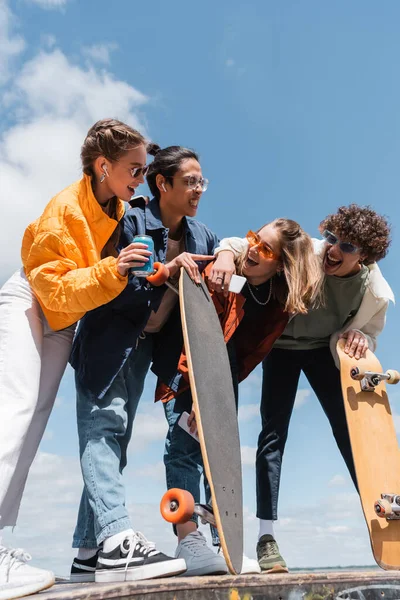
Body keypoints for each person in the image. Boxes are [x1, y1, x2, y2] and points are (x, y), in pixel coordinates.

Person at [0, 118, 160, 598]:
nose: (140, 177)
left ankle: (2, 548)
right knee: (17, 410)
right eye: (134, 168)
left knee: (33, 427)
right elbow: (52, 286)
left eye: (144, 169)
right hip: (31, 301)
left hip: (63, 321)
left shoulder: (120, 206)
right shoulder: (64, 210)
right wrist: (115, 267)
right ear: (103, 164)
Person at [69, 146, 222, 583]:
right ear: (163, 183)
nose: (198, 189)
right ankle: (116, 540)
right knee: (106, 428)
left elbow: (218, 276)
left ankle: (86, 554)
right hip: (113, 342)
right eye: (190, 181)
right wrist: (161, 270)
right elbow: (111, 283)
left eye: (201, 182)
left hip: (160, 351)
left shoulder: (203, 236)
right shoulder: (131, 220)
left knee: (118, 442)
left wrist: (226, 256)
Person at [212, 204, 393, 573]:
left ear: (367, 256)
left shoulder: (373, 289)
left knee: (351, 434)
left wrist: (362, 337)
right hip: (280, 349)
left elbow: (369, 332)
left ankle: (390, 525)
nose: (334, 250)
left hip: (321, 352)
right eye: (332, 238)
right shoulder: (307, 249)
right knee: (272, 434)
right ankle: (267, 538)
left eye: (348, 247)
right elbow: (242, 243)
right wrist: (227, 256)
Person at [156, 219, 321, 576]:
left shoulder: (279, 295)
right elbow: (199, 328)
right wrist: (199, 390)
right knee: (184, 446)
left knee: (220, 454)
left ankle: (224, 545)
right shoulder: (225, 267)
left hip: (223, 371)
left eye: (265, 249)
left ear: (283, 263)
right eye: (253, 239)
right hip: (186, 363)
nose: (253, 250)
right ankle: (189, 541)